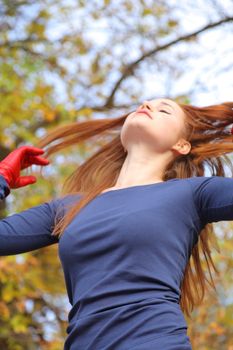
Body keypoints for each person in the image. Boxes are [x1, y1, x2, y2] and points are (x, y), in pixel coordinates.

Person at [0, 98, 233, 349]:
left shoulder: (193, 193)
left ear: (182, 145)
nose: (147, 106)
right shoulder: (69, 208)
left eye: (164, 109)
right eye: (144, 104)